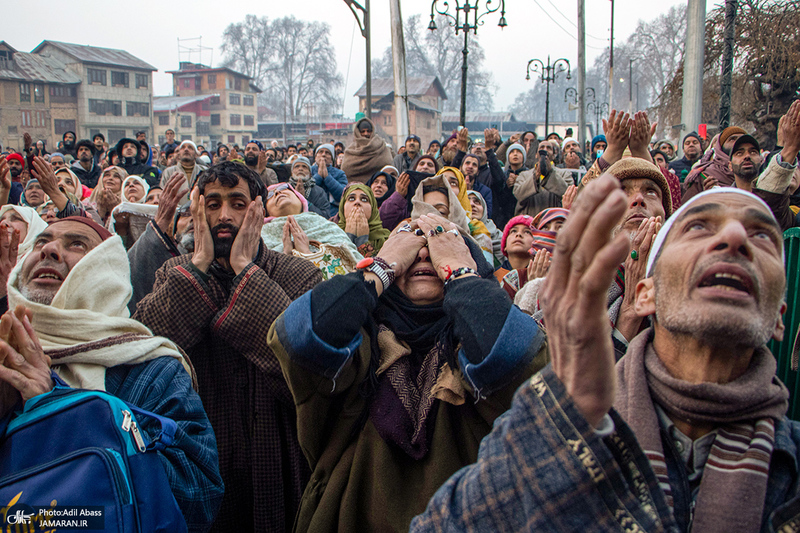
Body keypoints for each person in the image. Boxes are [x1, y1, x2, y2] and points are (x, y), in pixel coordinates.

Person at [414, 177, 800, 532]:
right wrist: (555, 422)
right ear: (646, 294)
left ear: (778, 318)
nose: (734, 237)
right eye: (698, 227)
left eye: (762, 236)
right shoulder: (564, 426)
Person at [267, 209, 548, 532]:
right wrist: (380, 267)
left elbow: (515, 358)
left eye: (443, 240)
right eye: (411, 243)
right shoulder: (361, 339)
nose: (426, 252)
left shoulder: (483, 340)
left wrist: (458, 273)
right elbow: (300, 337)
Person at [0, 216, 224, 531]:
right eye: (41, 241)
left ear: (105, 268)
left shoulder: (150, 368)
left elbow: (198, 493)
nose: (48, 250)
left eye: (75, 244)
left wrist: (55, 409)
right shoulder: (3, 353)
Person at [133, 161, 323, 532]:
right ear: (197, 208)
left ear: (258, 209)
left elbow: (306, 366)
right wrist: (201, 263)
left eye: (238, 203)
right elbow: (149, 353)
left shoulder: (299, 274)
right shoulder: (174, 274)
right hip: (203, 462)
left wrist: (244, 269)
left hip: (278, 463)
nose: (224, 215)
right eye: (213, 203)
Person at [681, 126, 746, 202]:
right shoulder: (704, 175)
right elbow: (689, 209)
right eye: (732, 139)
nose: (738, 142)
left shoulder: (756, 175)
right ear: (720, 146)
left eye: (742, 139)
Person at [337, 183, 391, 257]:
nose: (357, 202)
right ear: (343, 207)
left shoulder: (386, 240)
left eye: (364, 199)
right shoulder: (330, 234)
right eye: (351, 198)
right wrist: (349, 237)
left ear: (372, 208)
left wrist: (362, 240)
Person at [341, 118, 393, 184]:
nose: (366, 134)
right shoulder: (351, 150)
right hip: (357, 189)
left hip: (380, 188)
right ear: (358, 132)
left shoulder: (381, 145)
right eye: (363, 131)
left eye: (369, 131)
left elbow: (388, 163)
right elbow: (346, 169)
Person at [160, 140, 206, 206]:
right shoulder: (169, 172)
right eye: (183, 148)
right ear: (179, 153)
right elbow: (163, 194)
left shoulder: (204, 171)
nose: (186, 149)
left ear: (196, 154)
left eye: (190, 148)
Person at [312, 144, 348, 217]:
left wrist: (327, 177)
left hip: (334, 214)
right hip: (312, 212)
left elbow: (343, 194)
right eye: (320, 152)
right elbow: (306, 192)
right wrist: (318, 176)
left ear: (332, 158)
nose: (323, 155)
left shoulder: (339, 173)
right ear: (315, 157)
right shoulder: (309, 171)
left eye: (327, 153)